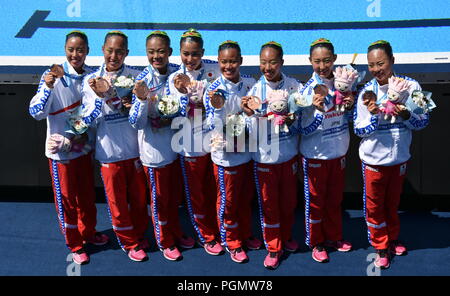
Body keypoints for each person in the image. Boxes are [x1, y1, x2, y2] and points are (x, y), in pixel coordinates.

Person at [29, 31, 109, 265]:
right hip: (60, 154)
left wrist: (79, 137)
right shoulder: (52, 76)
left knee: (86, 195)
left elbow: (95, 112)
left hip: (82, 149)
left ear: (88, 50)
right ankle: (75, 243)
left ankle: (88, 233)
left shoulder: (92, 76)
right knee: (67, 200)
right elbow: (35, 112)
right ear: (65, 49)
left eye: (80, 49)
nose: (76, 54)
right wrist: (46, 87)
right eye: (71, 49)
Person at [354, 40, 429, 269]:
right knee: (374, 207)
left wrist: (407, 115)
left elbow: (423, 121)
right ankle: (380, 246)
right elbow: (359, 130)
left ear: (392, 61)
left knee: (392, 204)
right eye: (371, 65)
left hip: (399, 160)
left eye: (380, 63)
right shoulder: (366, 92)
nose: (376, 70)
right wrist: (374, 115)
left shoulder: (413, 86)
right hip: (374, 161)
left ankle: (392, 238)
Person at [81, 31, 149, 262]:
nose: (114, 55)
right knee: (117, 204)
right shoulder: (90, 81)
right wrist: (104, 97)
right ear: (102, 50)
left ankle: (139, 234)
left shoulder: (137, 77)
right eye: (110, 50)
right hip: (109, 154)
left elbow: (141, 113)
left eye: (119, 51)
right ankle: (128, 243)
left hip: (135, 152)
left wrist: (132, 104)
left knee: (140, 200)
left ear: (126, 53)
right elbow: (88, 117)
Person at [129, 30, 194, 261]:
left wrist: (175, 111)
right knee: (159, 201)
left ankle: (175, 232)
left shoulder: (177, 75)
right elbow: (136, 122)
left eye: (161, 51)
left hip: (176, 151)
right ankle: (164, 241)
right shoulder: (143, 82)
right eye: (151, 52)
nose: (156, 56)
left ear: (169, 52)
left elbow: (185, 112)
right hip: (154, 154)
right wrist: (140, 100)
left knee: (173, 199)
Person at [166, 28, 223, 255]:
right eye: (186, 54)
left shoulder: (214, 69)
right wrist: (183, 94)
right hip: (190, 146)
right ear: (179, 52)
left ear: (202, 52)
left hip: (215, 146)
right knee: (196, 195)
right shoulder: (175, 78)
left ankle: (220, 230)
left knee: (215, 192)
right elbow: (174, 115)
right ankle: (206, 237)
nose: (190, 59)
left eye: (195, 54)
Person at [246, 41, 301, 269]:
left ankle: (286, 237)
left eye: (273, 62)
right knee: (269, 206)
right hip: (265, 160)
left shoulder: (294, 86)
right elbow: (249, 131)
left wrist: (292, 118)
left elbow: (303, 119)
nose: (267, 67)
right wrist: (252, 115)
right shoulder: (255, 92)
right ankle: (273, 246)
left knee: (288, 203)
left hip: (288, 157)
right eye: (263, 62)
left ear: (281, 63)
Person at [299, 38, 354, 263]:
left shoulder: (346, 83)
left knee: (334, 200)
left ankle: (334, 237)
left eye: (327, 61)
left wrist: (351, 103)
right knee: (316, 202)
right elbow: (302, 128)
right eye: (317, 61)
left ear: (334, 60)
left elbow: (349, 117)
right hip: (315, 156)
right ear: (310, 61)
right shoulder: (306, 92)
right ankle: (316, 242)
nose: (322, 66)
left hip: (338, 152)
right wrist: (317, 109)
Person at [204, 40, 259, 263]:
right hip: (226, 158)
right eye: (224, 62)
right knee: (228, 203)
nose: (229, 66)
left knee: (245, 200)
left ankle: (244, 234)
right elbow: (212, 125)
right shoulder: (213, 89)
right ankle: (231, 241)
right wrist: (219, 109)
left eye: (233, 61)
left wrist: (248, 115)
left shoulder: (250, 83)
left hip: (247, 154)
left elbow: (257, 114)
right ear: (218, 63)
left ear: (241, 61)